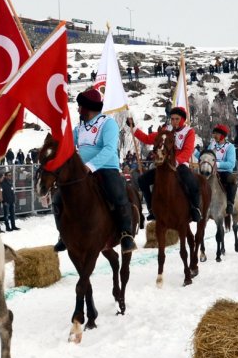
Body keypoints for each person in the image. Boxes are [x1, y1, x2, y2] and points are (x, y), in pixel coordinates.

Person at [53, 88, 137, 253]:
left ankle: (126, 234)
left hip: (106, 168)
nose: (78, 110)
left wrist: (89, 166)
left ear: (87, 108)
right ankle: (63, 235)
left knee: (117, 194)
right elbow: (67, 145)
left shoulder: (108, 123)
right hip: (82, 172)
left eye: (80, 106)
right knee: (58, 199)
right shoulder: (80, 127)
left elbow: (109, 149)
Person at [126, 107, 201, 222]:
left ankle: (195, 209)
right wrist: (134, 127)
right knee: (142, 180)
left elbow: (187, 150)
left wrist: (176, 161)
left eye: (177, 119)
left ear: (183, 119)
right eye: (172, 119)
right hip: (164, 165)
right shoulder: (166, 129)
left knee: (193, 184)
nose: (174, 121)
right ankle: (152, 209)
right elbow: (147, 138)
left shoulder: (189, 132)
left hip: (180, 165)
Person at [206, 124, 237, 214]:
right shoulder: (212, 145)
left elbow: (231, 164)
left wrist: (217, 165)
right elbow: (205, 156)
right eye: (214, 133)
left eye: (217, 134)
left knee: (232, 180)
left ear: (223, 135)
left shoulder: (230, 147)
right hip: (211, 171)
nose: (214, 135)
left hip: (224, 172)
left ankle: (230, 203)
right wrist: (195, 152)